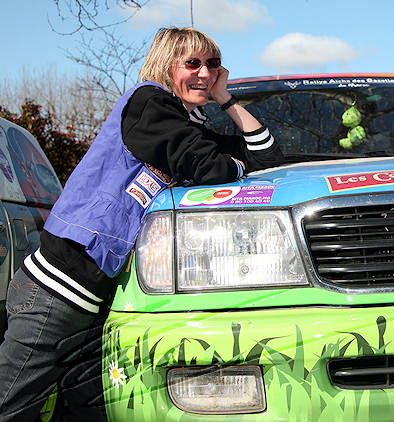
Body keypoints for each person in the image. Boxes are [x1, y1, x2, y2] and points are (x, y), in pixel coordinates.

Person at [0, 27, 282, 421]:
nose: (204, 73)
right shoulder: (148, 104)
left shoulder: (189, 124)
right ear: (167, 66)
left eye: (213, 65)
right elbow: (208, 167)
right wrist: (234, 166)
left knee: (87, 411)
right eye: (193, 63)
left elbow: (266, 153)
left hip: (96, 298)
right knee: (13, 407)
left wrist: (226, 99)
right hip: (56, 291)